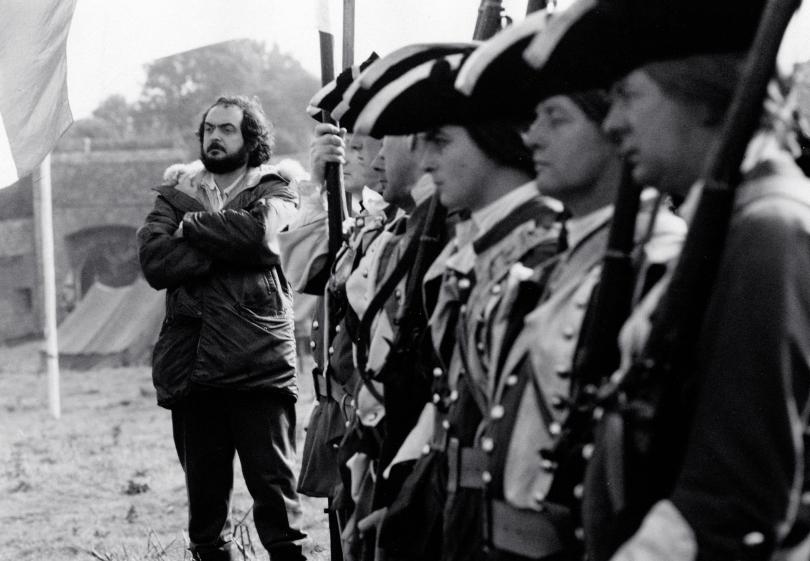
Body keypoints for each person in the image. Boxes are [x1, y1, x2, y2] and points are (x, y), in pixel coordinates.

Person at [137, 95, 307, 561]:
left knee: (277, 506)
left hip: (259, 365)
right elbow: (154, 260)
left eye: (228, 129)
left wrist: (189, 228)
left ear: (251, 138)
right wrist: (229, 244)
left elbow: (259, 235)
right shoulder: (177, 189)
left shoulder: (276, 185)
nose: (215, 136)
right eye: (209, 128)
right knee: (206, 518)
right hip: (193, 367)